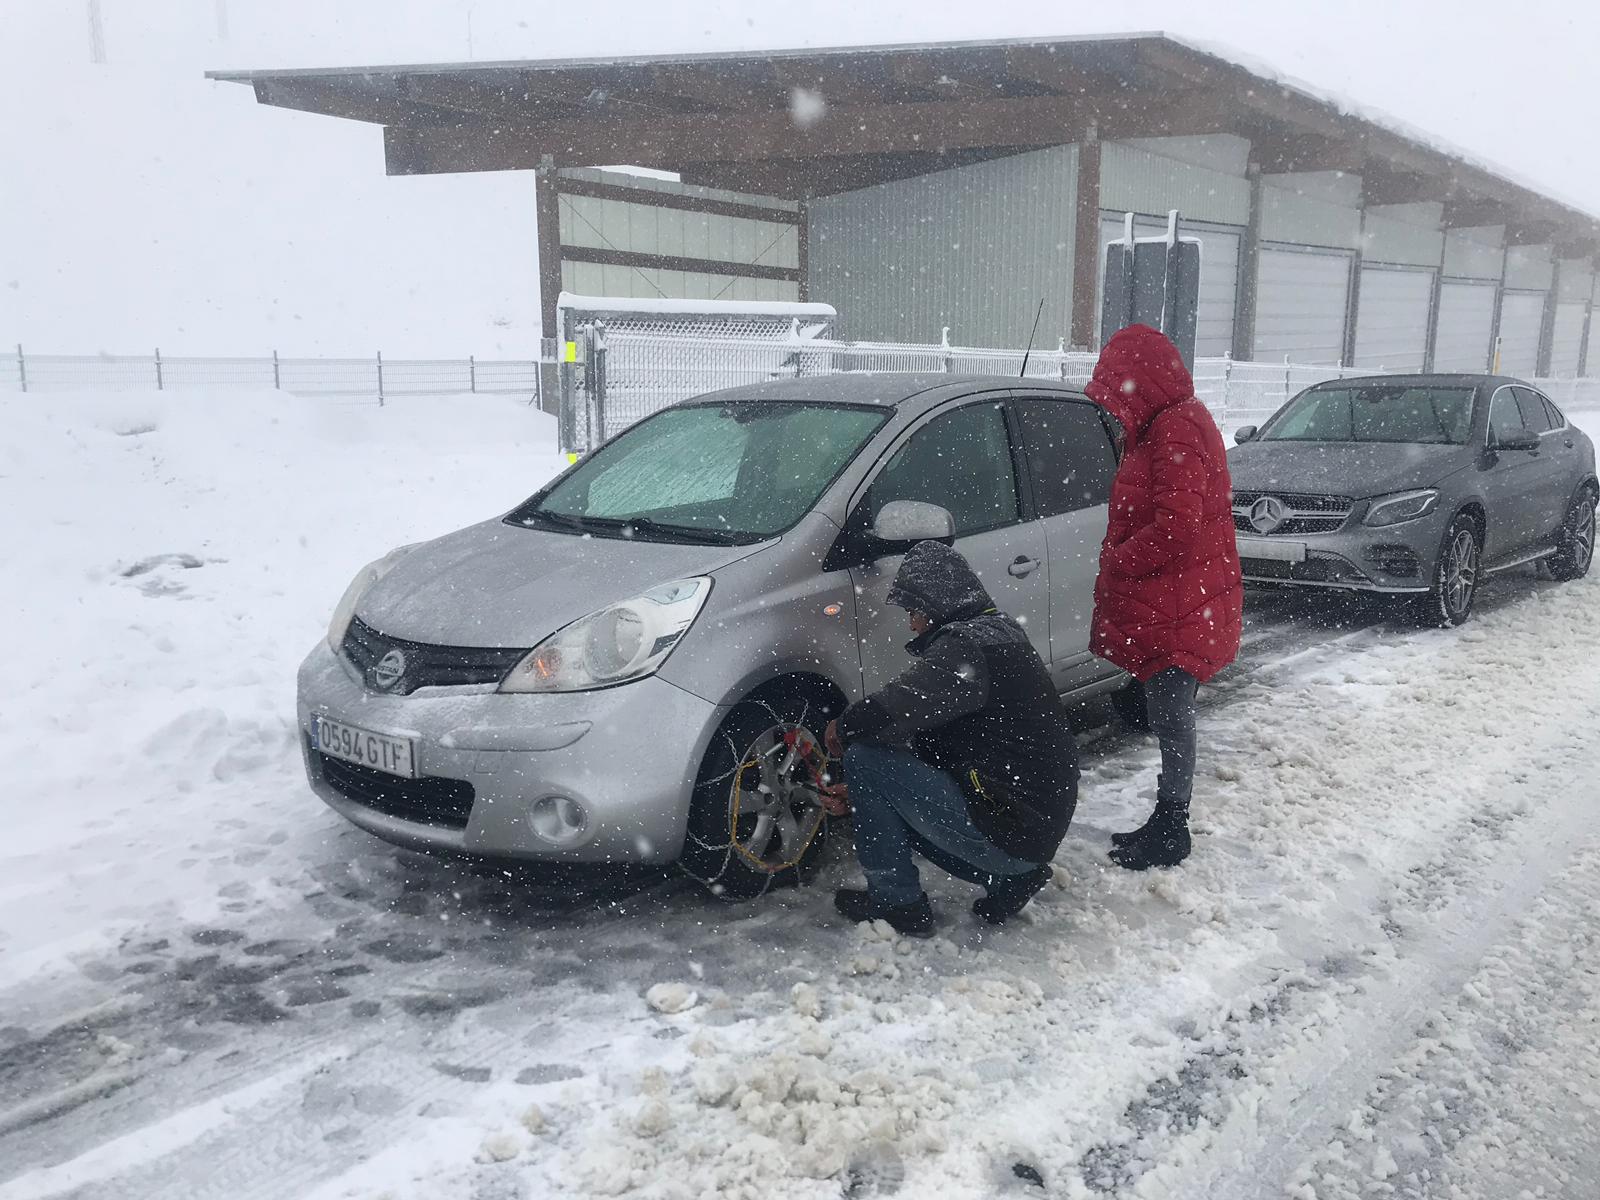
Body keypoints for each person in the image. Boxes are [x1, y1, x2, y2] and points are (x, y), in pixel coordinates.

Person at [824, 539, 1079, 937]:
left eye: (914, 611)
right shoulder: (1001, 633)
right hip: (1030, 828)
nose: (911, 624)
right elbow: (938, 743)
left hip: (1013, 829)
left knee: (863, 759)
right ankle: (1009, 880)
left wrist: (841, 728)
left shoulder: (966, 647)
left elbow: (888, 710)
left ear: (936, 602)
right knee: (879, 779)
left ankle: (898, 906)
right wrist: (866, 795)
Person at [1084, 324, 1243, 871]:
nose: (1113, 403)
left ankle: (1173, 825)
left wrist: (1119, 561)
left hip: (1181, 603)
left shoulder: (1176, 430)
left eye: (1118, 387)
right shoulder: (1162, 427)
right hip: (1179, 598)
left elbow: (1177, 528)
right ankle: (1166, 818)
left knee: (1172, 715)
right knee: (1168, 713)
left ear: (1141, 381)